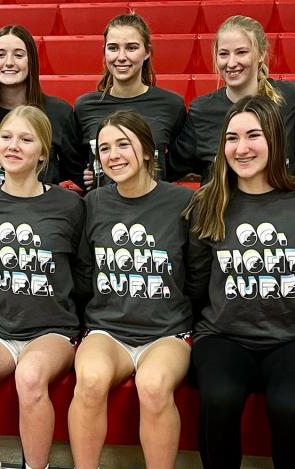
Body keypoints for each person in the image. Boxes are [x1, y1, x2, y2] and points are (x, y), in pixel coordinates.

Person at [183, 95, 295, 469]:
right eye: (232, 138)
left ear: (275, 141)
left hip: (293, 338)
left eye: (253, 136)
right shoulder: (209, 202)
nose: (242, 148)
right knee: (219, 399)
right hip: (224, 336)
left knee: (291, 406)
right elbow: (199, 280)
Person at [0, 106, 85, 469]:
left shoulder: (69, 205)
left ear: (43, 152)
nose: (13, 146)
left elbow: (84, 272)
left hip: (52, 331)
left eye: (26, 139)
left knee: (30, 378)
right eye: (7, 138)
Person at [68, 110, 193, 469]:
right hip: (108, 329)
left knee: (153, 386)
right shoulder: (93, 203)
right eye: (105, 148)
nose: (113, 155)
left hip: (167, 331)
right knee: (89, 381)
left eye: (124, 144)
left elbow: (196, 273)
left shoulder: (182, 202)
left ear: (149, 151)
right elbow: (84, 269)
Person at [174, 15, 295, 181]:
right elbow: (174, 167)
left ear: (261, 54)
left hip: (281, 205)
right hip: (222, 206)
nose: (231, 63)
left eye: (241, 52)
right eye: (223, 54)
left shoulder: (292, 97)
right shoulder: (201, 110)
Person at [0, 25, 84, 188]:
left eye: (18, 55)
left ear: (31, 61)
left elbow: (75, 178)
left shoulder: (59, 112)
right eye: (0, 55)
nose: (9, 62)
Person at [76, 13, 186, 187]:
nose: (121, 57)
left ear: (147, 52)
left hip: (154, 208)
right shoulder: (84, 107)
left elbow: (176, 165)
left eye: (131, 48)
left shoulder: (172, 105)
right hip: (101, 208)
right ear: (104, 51)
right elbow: (79, 162)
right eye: (113, 48)